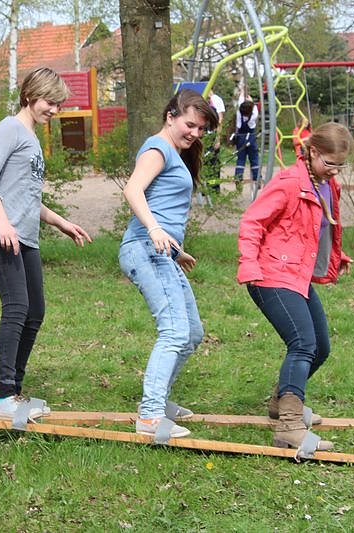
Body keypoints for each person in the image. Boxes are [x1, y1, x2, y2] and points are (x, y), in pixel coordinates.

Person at [0, 67, 92, 421]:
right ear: (29, 96)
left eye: (58, 105)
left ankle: (14, 390)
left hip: (24, 235)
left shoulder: (31, 137)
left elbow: (27, 197)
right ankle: (2, 396)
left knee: (35, 311)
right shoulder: (9, 128)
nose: (54, 110)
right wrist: (2, 223)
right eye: (49, 102)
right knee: (16, 308)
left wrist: (61, 222)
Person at [237, 122, 354, 454]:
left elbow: (312, 229)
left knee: (321, 348)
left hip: (295, 274)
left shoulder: (324, 184)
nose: (334, 171)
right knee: (302, 343)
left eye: (340, 165)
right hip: (270, 274)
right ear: (313, 151)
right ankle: (289, 426)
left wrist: (337, 255)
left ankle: (280, 403)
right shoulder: (290, 182)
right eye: (329, 163)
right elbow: (252, 221)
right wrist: (248, 263)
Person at [119, 89, 219, 440]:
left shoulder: (174, 153)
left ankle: (158, 402)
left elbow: (163, 206)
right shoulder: (157, 148)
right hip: (144, 247)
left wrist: (177, 250)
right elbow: (133, 190)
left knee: (192, 333)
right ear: (170, 116)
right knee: (174, 331)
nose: (195, 133)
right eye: (190, 125)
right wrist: (155, 229)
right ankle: (150, 416)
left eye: (201, 129)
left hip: (162, 251)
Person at [233, 93, 260, 188]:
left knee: (240, 159)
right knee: (254, 158)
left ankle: (238, 177)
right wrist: (250, 100)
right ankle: (257, 178)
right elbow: (254, 107)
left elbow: (240, 103)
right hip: (251, 138)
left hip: (241, 137)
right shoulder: (254, 115)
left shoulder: (239, 113)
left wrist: (242, 94)